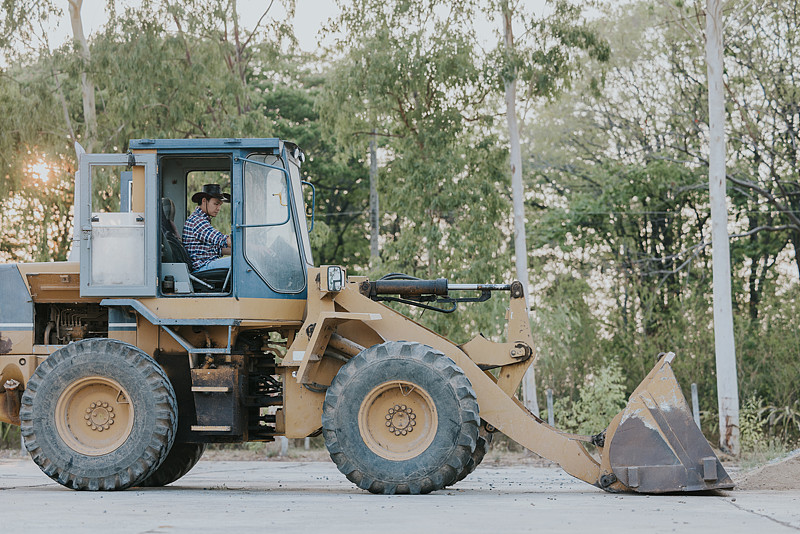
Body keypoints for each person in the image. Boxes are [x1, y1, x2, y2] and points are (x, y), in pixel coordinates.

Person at [182, 184, 232, 272]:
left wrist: (241, 252)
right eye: (216, 204)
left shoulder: (200, 219)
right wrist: (247, 248)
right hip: (202, 267)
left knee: (241, 258)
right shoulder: (198, 221)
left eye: (220, 205)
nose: (219, 208)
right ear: (204, 201)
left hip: (205, 263)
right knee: (240, 261)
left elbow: (216, 249)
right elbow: (223, 241)